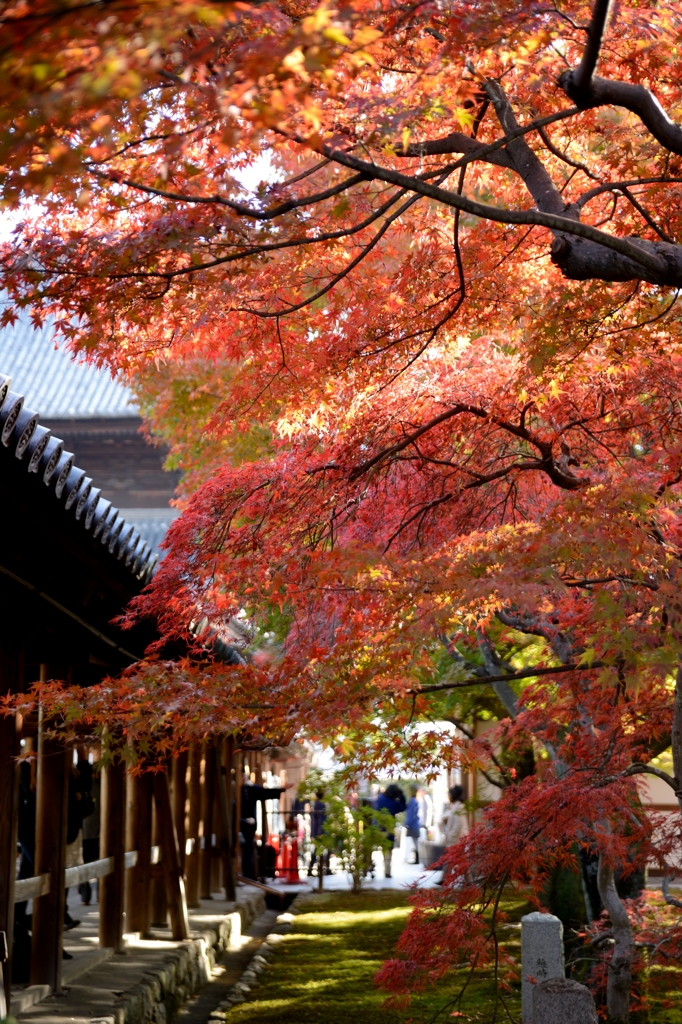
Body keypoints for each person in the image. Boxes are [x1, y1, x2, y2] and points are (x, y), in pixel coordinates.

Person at [240, 773, 291, 879]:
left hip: (248, 825)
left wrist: (281, 789)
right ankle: (246, 876)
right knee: (246, 852)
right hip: (242, 824)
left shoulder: (248, 790)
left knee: (248, 851)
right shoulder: (242, 789)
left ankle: (248, 877)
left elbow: (264, 792)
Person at [374, 783, 406, 878]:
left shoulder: (379, 798)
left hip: (378, 827)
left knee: (376, 849)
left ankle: (368, 867)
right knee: (388, 850)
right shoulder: (393, 803)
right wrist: (401, 795)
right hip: (389, 828)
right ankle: (387, 871)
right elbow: (403, 807)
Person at [307, 789, 329, 877]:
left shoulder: (317, 803)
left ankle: (317, 868)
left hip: (318, 831)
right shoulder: (320, 804)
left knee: (318, 851)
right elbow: (319, 819)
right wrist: (320, 832)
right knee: (317, 851)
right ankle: (317, 868)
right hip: (320, 831)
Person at [404, 785, 422, 865]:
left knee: (415, 842)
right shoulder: (415, 800)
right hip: (415, 824)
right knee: (415, 842)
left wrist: (407, 824)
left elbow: (410, 814)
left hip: (413, 825)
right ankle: (417, 859)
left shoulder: (412, 801)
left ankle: (417, 859)